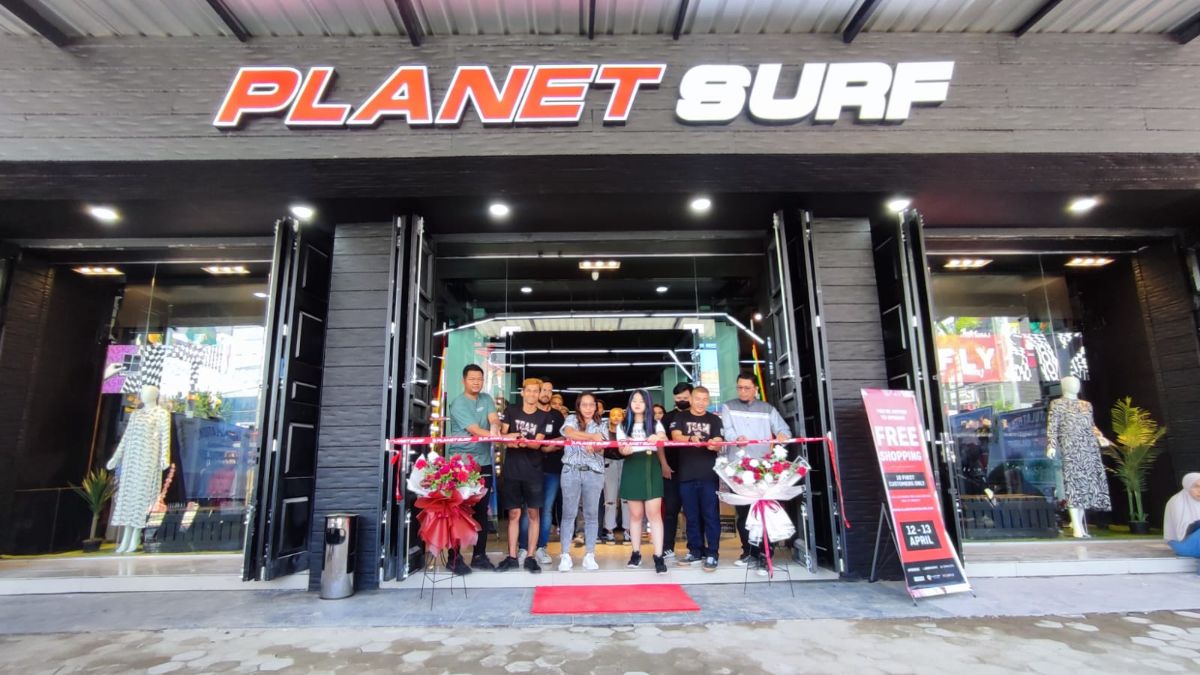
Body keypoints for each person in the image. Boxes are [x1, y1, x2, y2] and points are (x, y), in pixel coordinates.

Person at [720, 371, 791, 569]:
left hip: (763, 469)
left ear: (755, 389)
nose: (742, 391)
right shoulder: (728, 406)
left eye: (747, 388)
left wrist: (782, 436)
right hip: (738, 469)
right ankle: (749, 552)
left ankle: (766, 553)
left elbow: (784, 430)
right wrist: (736, 439)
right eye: (739, 388)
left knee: (764, 513)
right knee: (743, 513)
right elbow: (728, 431)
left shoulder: (767, 409)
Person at [445, 364, 502, 573]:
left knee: (481, 510)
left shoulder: (486, 399)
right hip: (462, 463)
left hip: (484, 461)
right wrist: (499, 436)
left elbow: (493, 418)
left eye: (479, 379)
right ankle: (453, 558)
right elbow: (475, 430)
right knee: (459, 510)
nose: (476, 382)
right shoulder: (458, 403)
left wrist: (495, 426)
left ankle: (479, 556)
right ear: (464, 381)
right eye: (472, 379)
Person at [496, 378, 552, 574]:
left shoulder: (544, 416)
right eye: (529, 391)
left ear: (539, 393)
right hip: (512, 470)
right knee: (514, 514)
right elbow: (502, 437)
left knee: (533, 514)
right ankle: (512, 556)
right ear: (522, 392)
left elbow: (537, 444)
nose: (532, 394)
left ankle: (530, 556)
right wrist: (511, 439)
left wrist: (519, 440)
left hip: (533, 472)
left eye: (536, 391)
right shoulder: (511, 411)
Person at [616, 389, 671, 575]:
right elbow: (622, 449)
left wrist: (658, 437)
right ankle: (636, 553)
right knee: (636, 515)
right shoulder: (623, 425)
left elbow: (664, 438)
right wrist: (626, 449)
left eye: (641, 400)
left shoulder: (655, 423)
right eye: (634, 400)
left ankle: (658, 556)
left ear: (648, 403)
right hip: (632, 466)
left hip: (651, 466)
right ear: (630, 404)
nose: (637, 404)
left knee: (654, 514)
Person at [669, 385, 724, 572]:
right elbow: (675, 436)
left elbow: (719, 442)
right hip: (686, 475)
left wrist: (714, 444)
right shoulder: (681, 417)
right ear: (691, 400)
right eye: (697, 399)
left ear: (708, 401)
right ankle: (695, 551)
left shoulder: (714, 420)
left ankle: (713, 553)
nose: (701, 403)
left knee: (711, 515)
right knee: (691, 516)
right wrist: (690, 439)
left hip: (709, 475)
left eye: (704, 399)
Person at [558, 392, 608, 571]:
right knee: (568, 514)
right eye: (584, 404)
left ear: (596, 407)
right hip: (571, 471)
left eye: (591, 405)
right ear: (578, 406)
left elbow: (602, 448)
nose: (588, 408)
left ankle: (590, 555)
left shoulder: (602, 424)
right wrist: (592, 438)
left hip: (594, 473)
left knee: (591, 515)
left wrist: (595, 446)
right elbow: (570, 434)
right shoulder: (571, 419)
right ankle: (565, 555)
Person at [518, 378, 565, 566]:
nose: (546, 393)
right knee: (528, 509)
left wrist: (550, 444)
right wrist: (543, 446)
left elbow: (564, 436)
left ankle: (541, 547)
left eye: (549, 390)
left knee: (546, 510)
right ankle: (523, 547)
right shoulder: (527, 413)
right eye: (543, 390)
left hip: (552, 468)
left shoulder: (557, 415)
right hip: (529, 467)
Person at [659, 383, 693, 560]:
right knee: (670, 511)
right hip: (671, 471)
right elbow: (660, 444)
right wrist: (664, 464)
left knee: (692, 512)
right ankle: (667, 547)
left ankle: (694, 548)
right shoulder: (667, 418)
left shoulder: (697, 417)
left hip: (693, 472)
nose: (682, 401)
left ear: (692, 397)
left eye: (685, 398)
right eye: (678, 398)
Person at [602, 406, 630, 544]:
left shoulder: (627, 430)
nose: (616, 417)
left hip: (626, 463)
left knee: (627, 499)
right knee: (610, 499)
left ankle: (628, 530)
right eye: (613, 415)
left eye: (619, 415)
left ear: (623, 417)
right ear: (609, 417)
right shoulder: (604, 431)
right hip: (609, 464)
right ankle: (609, 530)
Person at [1164, 472, 1200, 542]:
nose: (1199, 490)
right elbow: (1181, 532)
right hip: (1179, 542)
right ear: (1188, 486)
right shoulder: (1177, 501)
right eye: (1196, 486)